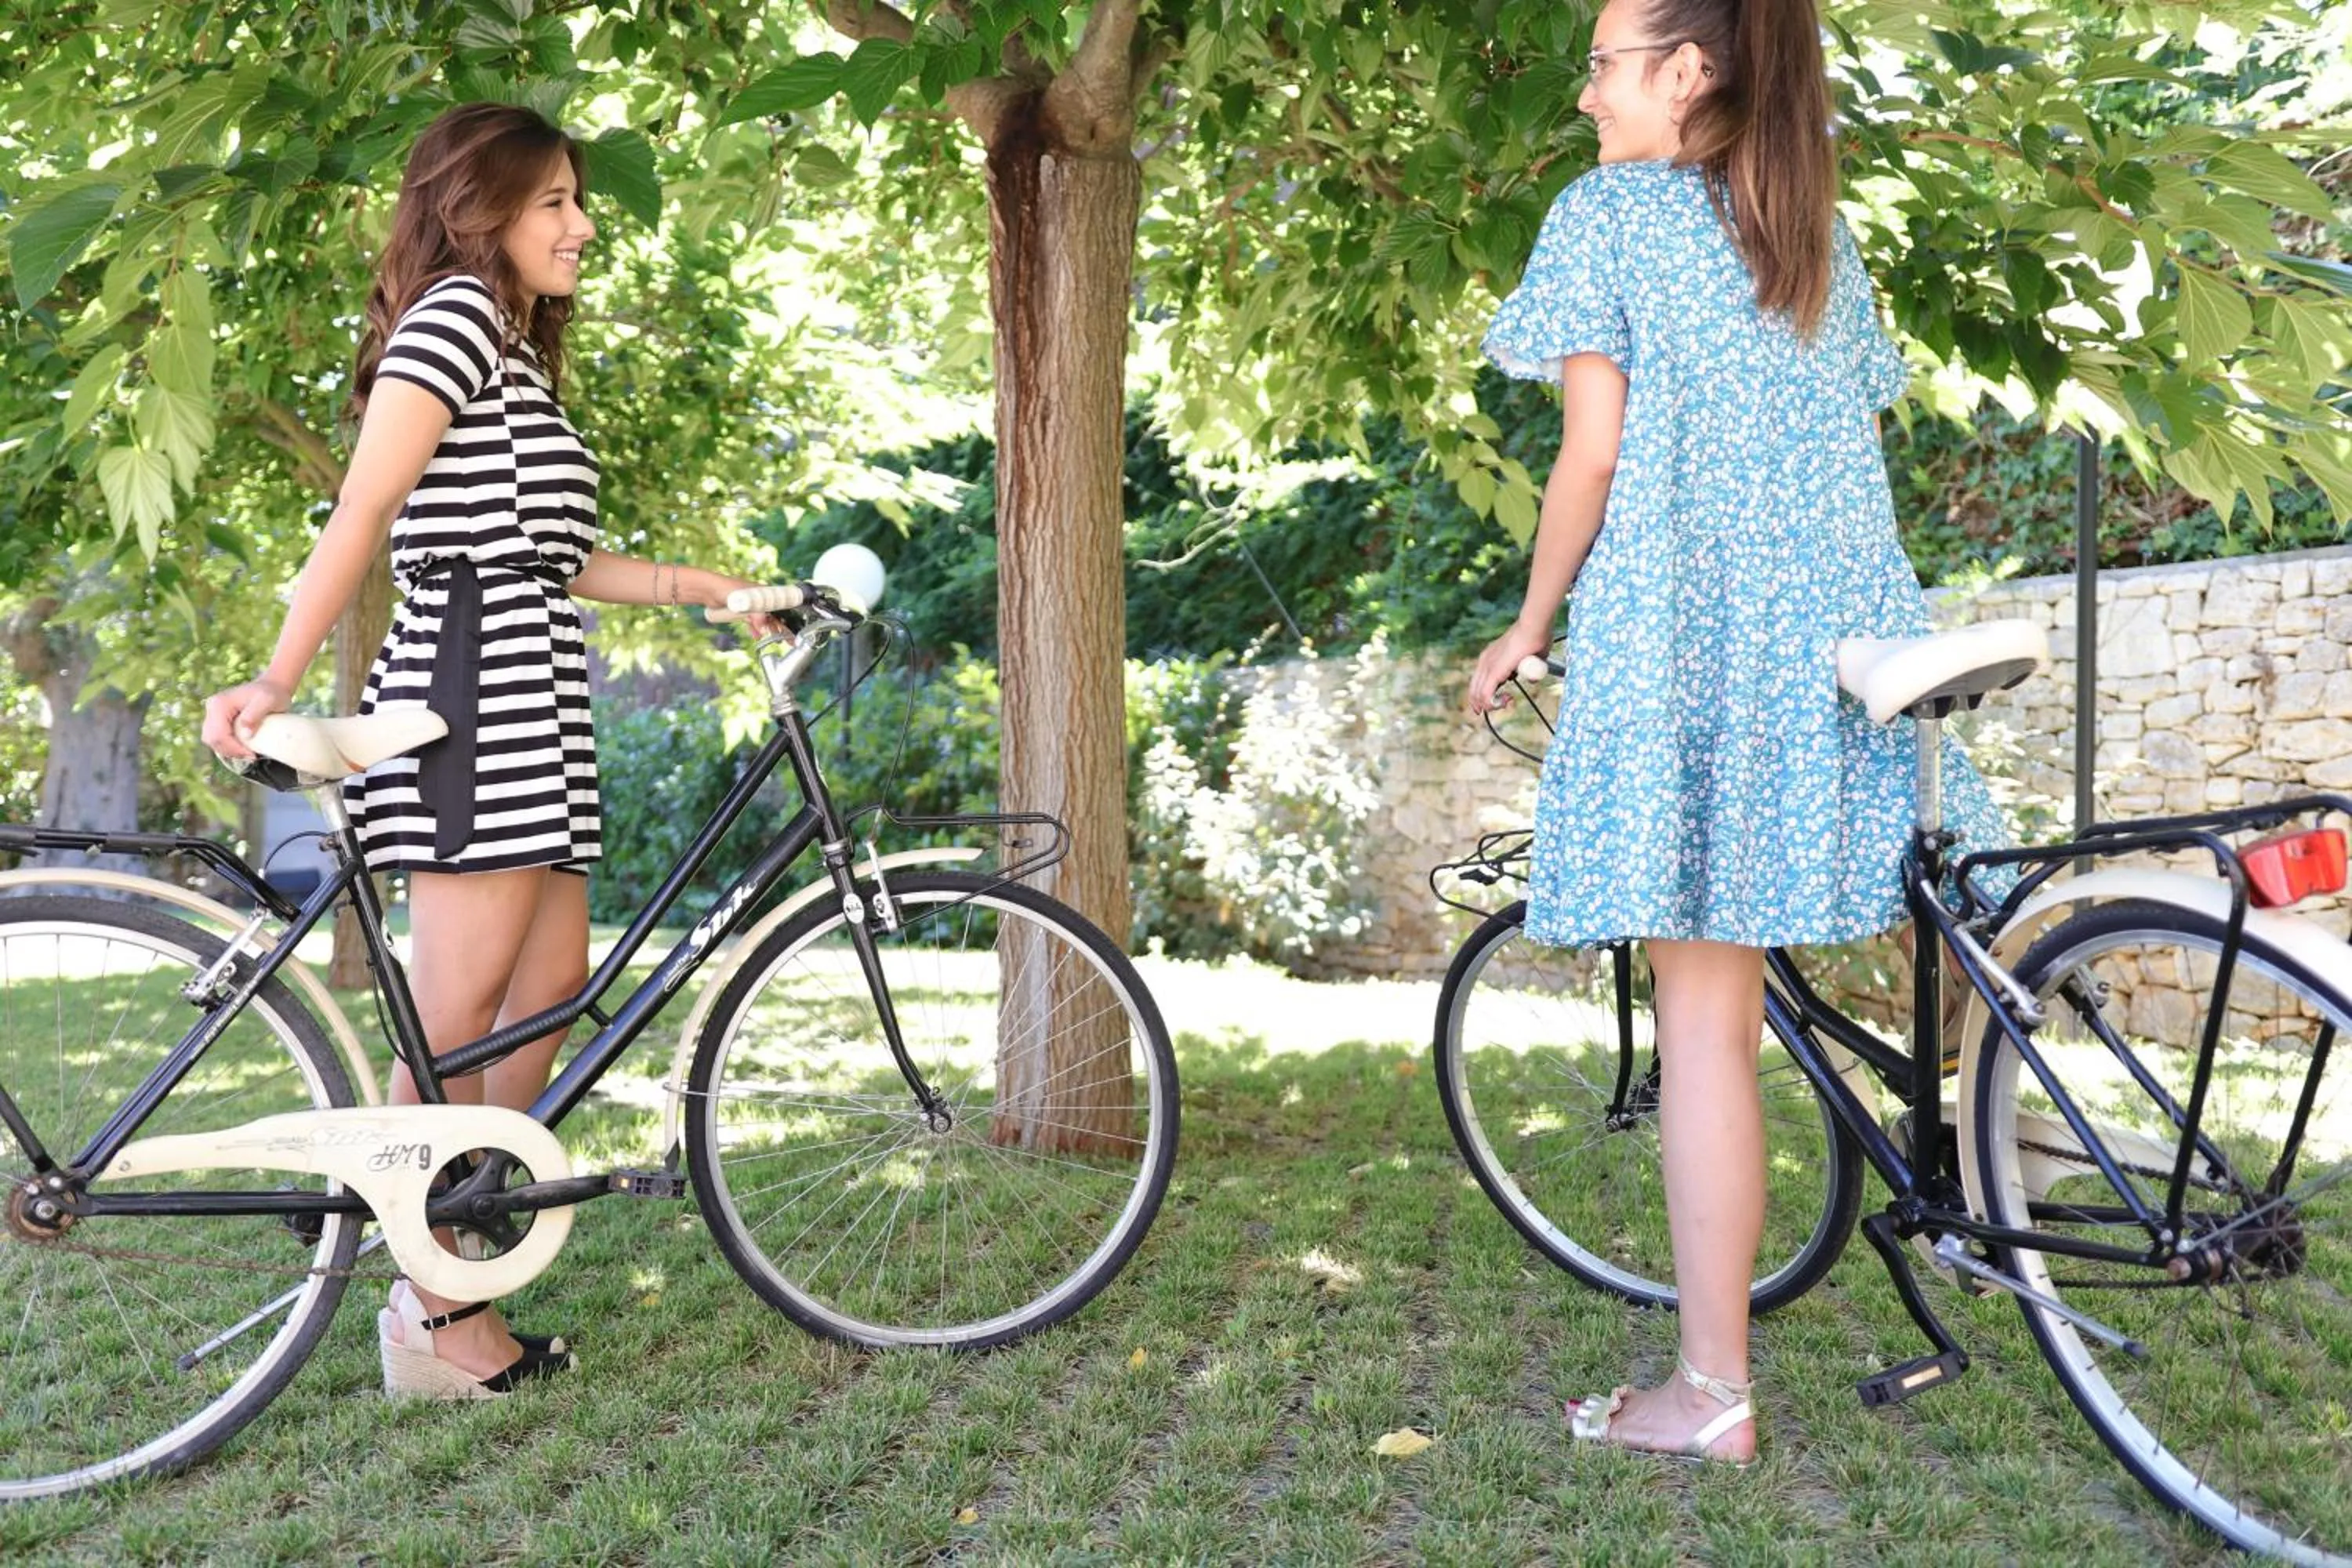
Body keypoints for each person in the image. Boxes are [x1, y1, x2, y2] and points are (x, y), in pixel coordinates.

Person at [1465, 0, 2008, 1464]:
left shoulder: (1610, 218)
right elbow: (1846, 465)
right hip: (1835, 650)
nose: (1585, 96)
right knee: (1811, 976)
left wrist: (1528, 625)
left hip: (1694, 650)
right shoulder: (1819, 239)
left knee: (1709, 1022)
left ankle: (1709, 1396)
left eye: (1600, 62)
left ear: (1686, 70)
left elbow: (1589, 460)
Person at [202, 103, 779, 1398]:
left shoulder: (514, 352)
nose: (583, 225)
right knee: (461, 1013)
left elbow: (564, 559)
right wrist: (275, 676)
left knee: (549, 998)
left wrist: (719, 589)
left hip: (538, 690)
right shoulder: (455, 320)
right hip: (471, 694)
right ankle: (428, 1296)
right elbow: (367, 508)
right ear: (480, 213)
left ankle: (439, 1247)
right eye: (555, 202)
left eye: (580, 200)